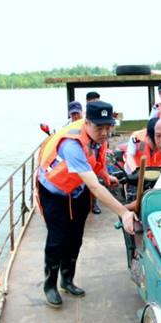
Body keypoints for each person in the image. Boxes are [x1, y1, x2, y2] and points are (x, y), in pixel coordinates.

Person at [37, 100, 137, 307]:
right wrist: (123, 212)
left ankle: (67, 280)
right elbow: (94, 186)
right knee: (57, 240)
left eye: (108, 127)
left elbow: (97, 162)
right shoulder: (71, 145)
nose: (105, 132)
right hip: (55, 192)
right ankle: (50, 285)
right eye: (99, 127)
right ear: (87, 123)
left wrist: (106, 175)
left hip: (78, 190)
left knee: (75, 237)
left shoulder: (99, 139)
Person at [85, 91, 103, 214]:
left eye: (97, 101)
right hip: (84, 152)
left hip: (96, 151)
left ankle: (95, 203)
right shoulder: (84, 119)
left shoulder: (101, 115)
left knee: (95, 176)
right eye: (92, 102)